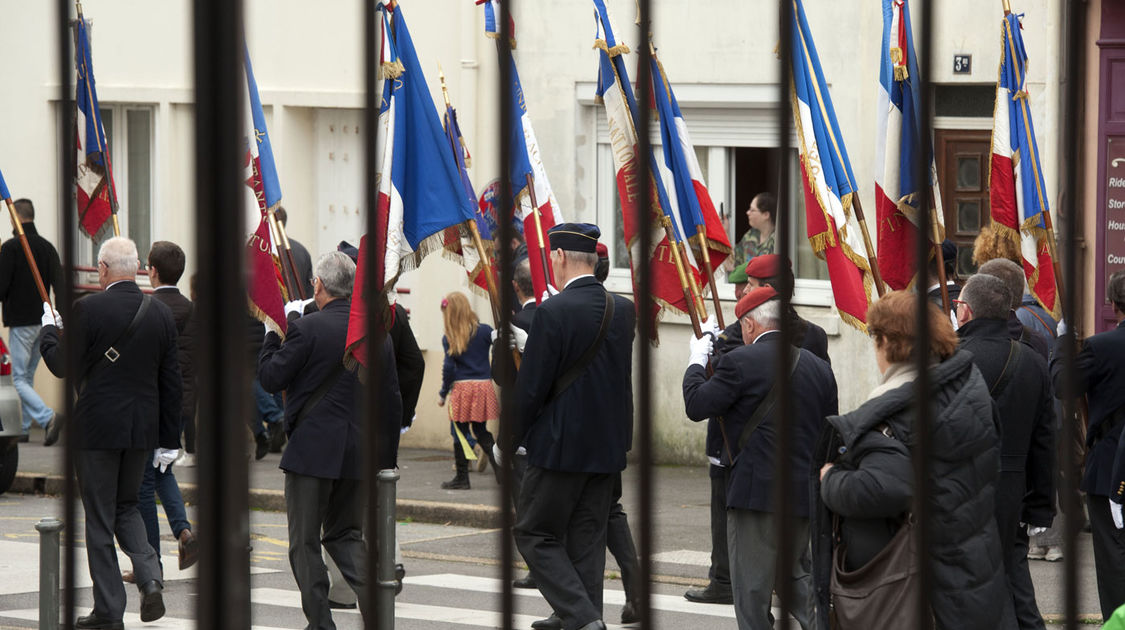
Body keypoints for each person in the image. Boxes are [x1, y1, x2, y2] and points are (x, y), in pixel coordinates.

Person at [811, 290, 1008, 630]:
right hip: (972, 569)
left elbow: (885, 487)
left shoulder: (895, 414)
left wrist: (831, 479)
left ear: (887, 342)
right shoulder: (966, 389)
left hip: (913, 588)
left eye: (874, 340)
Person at [40, 236, 180, 629]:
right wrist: (171, 440)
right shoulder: (159, 312)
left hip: (98, 428)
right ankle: (150, 577)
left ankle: (109, 611)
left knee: (100, 519)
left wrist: (50, 331)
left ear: (102, 269)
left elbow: (61, 365)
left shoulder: (88, 309)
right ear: (136, 268)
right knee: (128, 506)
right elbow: (171, 383)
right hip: (143, 430)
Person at [257, 251, 402, 630]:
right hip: (359, 454)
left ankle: (321, 623)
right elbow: (391, 401)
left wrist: (273, 332)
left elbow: (272, 377)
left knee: (304, 542)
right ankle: (376, 607)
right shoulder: (377, 335)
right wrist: (385, 461)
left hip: (312, 452)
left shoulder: (307, 328)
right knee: (344, 535)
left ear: (318, 286)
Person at [683, 286, 836, 630]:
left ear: (750, 325)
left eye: (741, 327)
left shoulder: (739, 362)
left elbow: (696, 404)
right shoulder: (818, 367)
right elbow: (829, 433)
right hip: (802, 493)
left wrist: (696, 360)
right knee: (796, 577)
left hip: (756, 495)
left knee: (751, 592)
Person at [509, 222, 636, 630]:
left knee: (533, 533)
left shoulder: (552, 311)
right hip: (607, 447)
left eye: (551, 257)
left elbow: (531, 389)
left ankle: (581, 616)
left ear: (560, 257)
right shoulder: (624, 309)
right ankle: (577, 615)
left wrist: (505, 441)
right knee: (586, 542)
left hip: (560, 446)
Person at [957, 273, 1055, 630]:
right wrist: (1041, 505)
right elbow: (1045, 441)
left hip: (961, 489)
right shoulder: (1033, 362)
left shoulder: (952, 361)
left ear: (965, 311)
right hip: (1013, 491)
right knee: (1015, 579)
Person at [1052, 270, 1125, 622]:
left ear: (1114, 304)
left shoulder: (1102, 346)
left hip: (1112, 464)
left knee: (1113, 557)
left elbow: (1061, 385)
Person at [135, 241, 199, 575]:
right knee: (162, 473)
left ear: (153, 271)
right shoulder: (191, 309)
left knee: (144, 484)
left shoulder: (147, 309)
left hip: (151, 405)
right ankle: (185, 532)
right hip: (182, 403)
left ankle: (151, 565)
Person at [0, 198, 62, 443]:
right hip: (45, 321)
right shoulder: (47, 247)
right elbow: (60, 283)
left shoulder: (12, 248)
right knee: (26, 377)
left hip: (21, 322)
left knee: (17, 377)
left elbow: (1, 287)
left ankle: (47, 418)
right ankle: (24, 428)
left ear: (16, 218)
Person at [437, 291, 500, 489]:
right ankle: (502, 474)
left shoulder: (450, 337)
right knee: (481, 430)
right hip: (483, 386)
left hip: (463, 389)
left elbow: (448, 369)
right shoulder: (485, 331)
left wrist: (443, 393)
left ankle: (462, 478)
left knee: (459, 432)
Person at [274, 206, 314, 299]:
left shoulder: (268, 251)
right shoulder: (302, 250)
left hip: (277, 309)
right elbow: (309, 288)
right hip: (301, 309)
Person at [732, 192, 776, 267]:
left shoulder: (777, 239)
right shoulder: (750, 235)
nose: (747, 212)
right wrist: (724, 231)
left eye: (752, 210)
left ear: (766, 215)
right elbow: (732, 263)